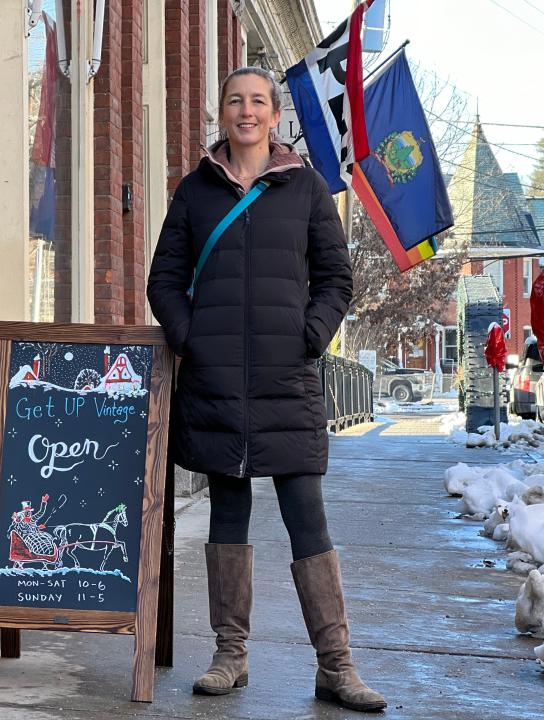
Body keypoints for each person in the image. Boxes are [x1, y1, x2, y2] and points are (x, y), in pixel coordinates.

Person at [146, 66, 386, 712]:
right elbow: (162, 279)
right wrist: (192, 337)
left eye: (257, 102)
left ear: (274, 116)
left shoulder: (305, 188)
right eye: (234, 101)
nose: (246, 112)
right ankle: (230, 655)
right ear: (221, 113)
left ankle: (337, 665)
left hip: (288, 384)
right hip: (217, 385)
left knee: (307, 516)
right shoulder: (195, 192)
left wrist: (309, 336)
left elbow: (337, 278)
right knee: (228, 514)